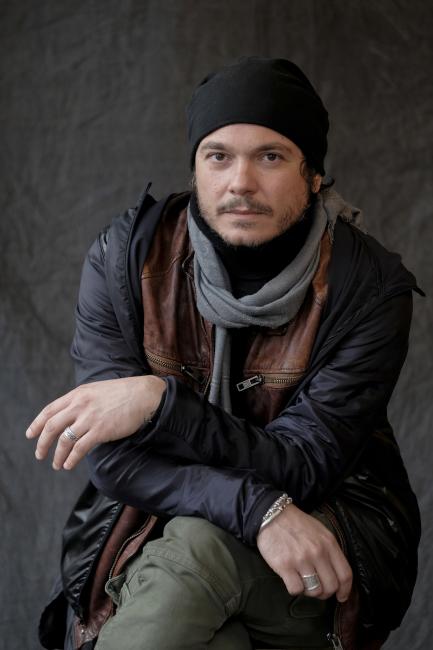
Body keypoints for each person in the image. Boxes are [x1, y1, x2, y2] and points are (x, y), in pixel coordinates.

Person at [27, 58, 421, 650]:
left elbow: (304, 463)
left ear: (314, 174)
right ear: (195, 167)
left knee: (199, 549)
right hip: (156, 525)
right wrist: (258, 508)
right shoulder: (125, 259)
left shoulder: (367, 288)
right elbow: (112, 459)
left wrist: (160, 403)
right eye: (218, 156)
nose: (241, 182)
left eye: (271, 156)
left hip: (323, 533)